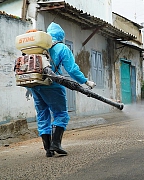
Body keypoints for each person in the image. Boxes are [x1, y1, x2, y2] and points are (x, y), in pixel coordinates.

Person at [29, 22, 96, 157]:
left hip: (34, 85)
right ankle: (55, 144)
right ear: (61, 36)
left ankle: (48, 149)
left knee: (43, 115)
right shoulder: (61, 48)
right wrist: (85, 81)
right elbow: (71, 69)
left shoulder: (37, 47)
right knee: (61, 114)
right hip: (52, 85)